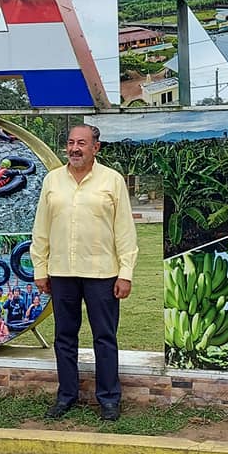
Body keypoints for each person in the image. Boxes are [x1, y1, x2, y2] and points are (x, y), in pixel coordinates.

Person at [32, 124, 138, 422]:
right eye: (70, 142)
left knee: (104, 337)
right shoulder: (53, 180)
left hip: (102, 273)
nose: (74, 148)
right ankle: (66, 396)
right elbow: (41, 229)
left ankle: (109, 399)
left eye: (81, 143)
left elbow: (125, 230)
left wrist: (125, 272)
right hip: (61, 272)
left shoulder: (112, 180)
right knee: (64, 337)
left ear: (96, 147)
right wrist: (40, 268)